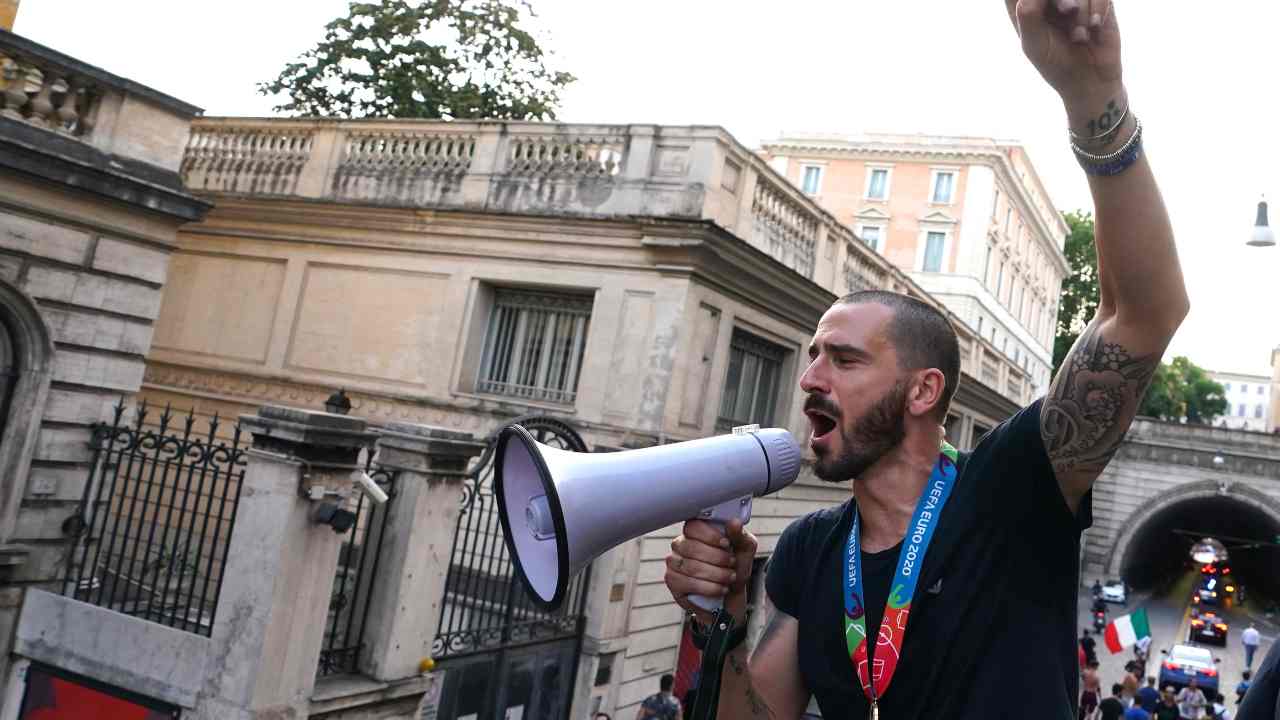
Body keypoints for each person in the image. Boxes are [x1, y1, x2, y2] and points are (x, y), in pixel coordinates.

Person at [661, 4, 1189, 717]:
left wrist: (1092, 99)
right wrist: (717, 625)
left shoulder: (1011, 489)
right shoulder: (810, 549)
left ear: (923, 391)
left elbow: (1145, 314)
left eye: (844, 360)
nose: (810, 378)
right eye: (811, 357)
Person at [1235, 638, 1279, 720]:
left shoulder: (1242, 684)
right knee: (1250, 655)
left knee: (1248, 655)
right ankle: (1248, 665)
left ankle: (1248, 665)